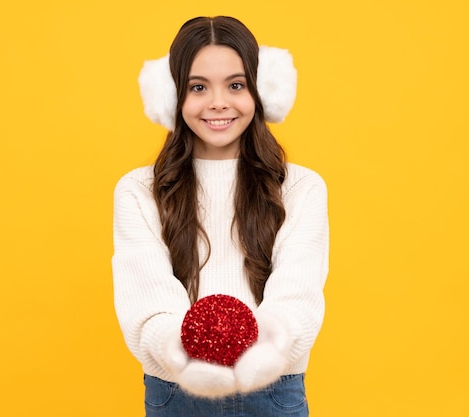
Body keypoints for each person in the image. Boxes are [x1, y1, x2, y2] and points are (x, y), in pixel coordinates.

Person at [112, 15, 329, 417]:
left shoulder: (301, 188)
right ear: (171, 97)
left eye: (235, 85)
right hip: (176, 391)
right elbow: (147, 300)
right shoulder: (138, 191)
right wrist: (184, 356)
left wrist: (264, 353)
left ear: (262, 92)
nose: (218, 102)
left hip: (274, 389)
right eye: (198, 87)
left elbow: (297, 295)